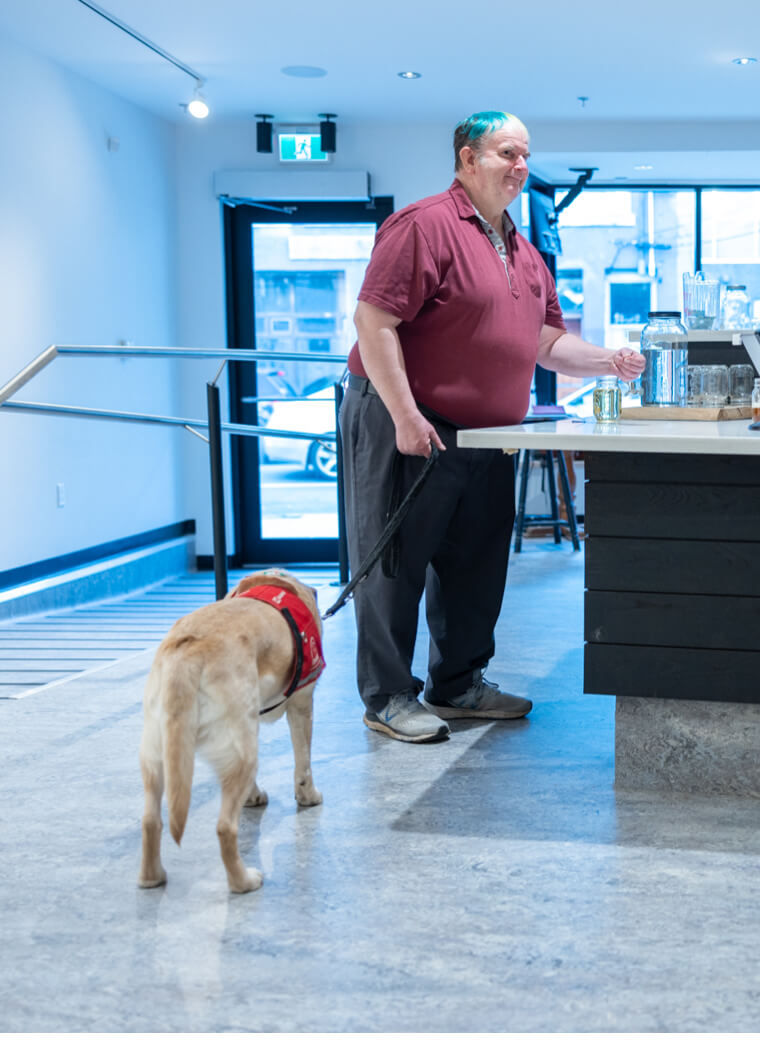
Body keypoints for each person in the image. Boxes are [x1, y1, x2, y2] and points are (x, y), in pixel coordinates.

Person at [339, 110, 645, 744]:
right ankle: (388, 696)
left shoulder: (524, 252)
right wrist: (404, 414)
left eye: (525, 154)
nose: (521, 165)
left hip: (485, 436)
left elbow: (546, 341)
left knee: (475, 565)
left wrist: (608, 361)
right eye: (507, 152)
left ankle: (458, 685)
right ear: (467, 159)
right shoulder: (423, 226)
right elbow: (374, 323)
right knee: (395, 564)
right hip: (408, 419)